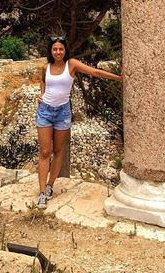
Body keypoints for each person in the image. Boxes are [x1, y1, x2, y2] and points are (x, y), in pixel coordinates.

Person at [35, 35, 122, 209]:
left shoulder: (72, 64)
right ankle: (42, 192)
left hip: (63, 112)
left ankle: (51, 185)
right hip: (45, 111)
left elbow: (94, 72)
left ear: (65, 50)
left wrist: (120, 78)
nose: (58, 52)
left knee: (59, 150)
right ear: (51, 51)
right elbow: (44, 83)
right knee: (45, 151)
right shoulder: (46, 67)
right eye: (55, 49)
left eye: (61, 49)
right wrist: (41, 94)